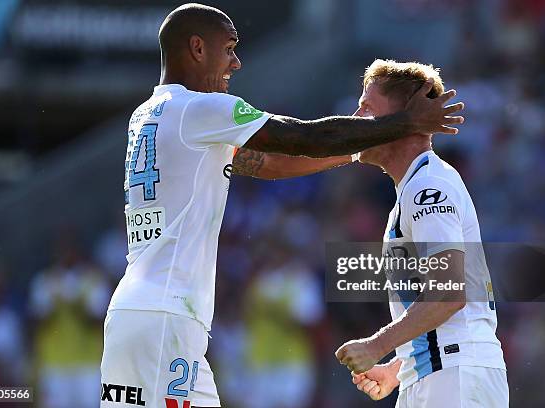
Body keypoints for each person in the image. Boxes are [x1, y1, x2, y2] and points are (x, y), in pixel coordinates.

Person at [100, 3, 464, 407]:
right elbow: (301, 137)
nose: (236, 63)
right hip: (165, 316)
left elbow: (269, 163)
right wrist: (403, 124)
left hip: (144, 312)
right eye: (230, 48)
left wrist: (361, 147)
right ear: (198, 48)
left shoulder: (149, 115)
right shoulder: (201, 108)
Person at [334, 59, 507, 407]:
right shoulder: (416, 186)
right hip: (438, 370)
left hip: (454, 373)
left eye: (367, 107)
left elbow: (448, 294)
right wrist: (400, 367)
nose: (356, 117)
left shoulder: (427, 188)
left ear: (406, 120)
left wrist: (376, 345)